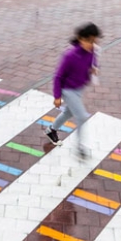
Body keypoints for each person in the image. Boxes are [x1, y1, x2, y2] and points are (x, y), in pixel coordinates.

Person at [44, 23, 101, 159]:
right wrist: (57, 96)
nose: (92, 45)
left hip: (79, 88)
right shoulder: (69, 55)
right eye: (89, 41)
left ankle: (51, 130)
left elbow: (93, 62)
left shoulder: (93, 50)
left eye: (94, 41)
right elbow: (58, 77)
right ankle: (81, 147)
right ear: (81, 39)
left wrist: (94, 68)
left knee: (69, 112)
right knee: (81, 116)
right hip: (68, 90)